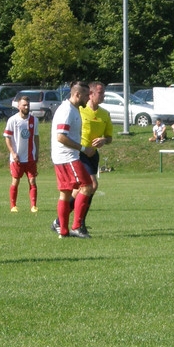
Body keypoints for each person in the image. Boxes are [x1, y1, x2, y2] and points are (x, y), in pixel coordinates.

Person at [50, 81, 95, 239]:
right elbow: (61, 137)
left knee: (65, 193)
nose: (88, 98)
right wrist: (83, 149)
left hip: (62, 157)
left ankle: (63, 231)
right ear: (77, 94)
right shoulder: (67, 110)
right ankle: (76, 227)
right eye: (86, 95)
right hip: (67, 156)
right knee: (87, 186)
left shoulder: (72, 109)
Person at [78, 81, 113, 234]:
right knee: (91, 185)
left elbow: (109, 137)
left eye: (103, 92)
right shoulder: (79, 110)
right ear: (91, 94)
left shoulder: (105, 114)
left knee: (82, 190)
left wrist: (104, 140)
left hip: (93, 155)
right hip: (79, 153)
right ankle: (78, 223)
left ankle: (66, 221)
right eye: (100, 93)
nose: (103, 95)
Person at [4, 95, 39, 213]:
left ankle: (33, 206)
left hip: (30, 157)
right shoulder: (12, 120)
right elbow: (7, 138)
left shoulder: (34, 120)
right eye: (24, 105)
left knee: (32, 181)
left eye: (28, 105)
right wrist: (13, 153)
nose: (27, 107)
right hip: (17, 158)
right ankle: (13, 206)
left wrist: (37, 152)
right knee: (15, 181)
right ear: (19, 106)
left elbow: (36, 137)